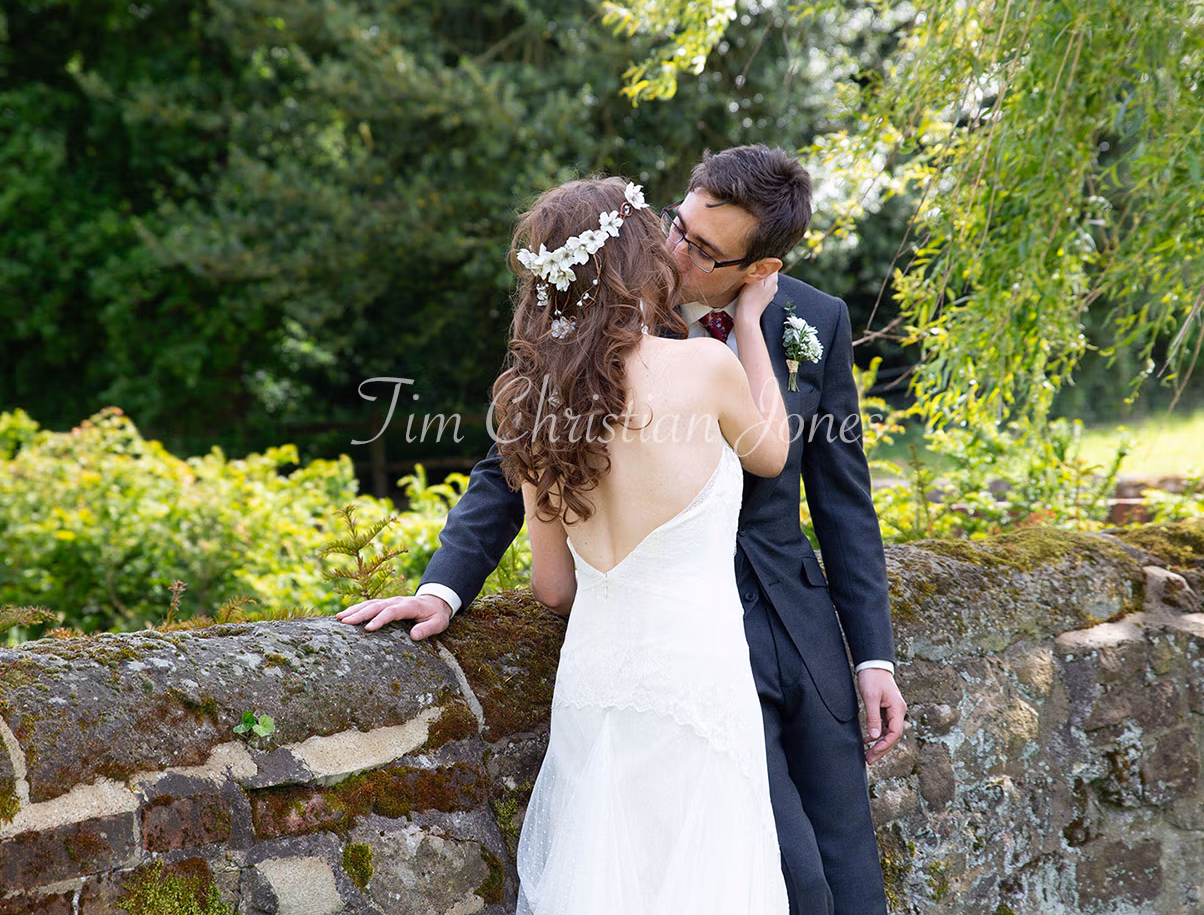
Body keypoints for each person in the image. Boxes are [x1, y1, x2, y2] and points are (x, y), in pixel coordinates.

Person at [339, 146, 907, 915]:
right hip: (699, 657)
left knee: (847, 867)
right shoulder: (592, 337)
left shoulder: (816, 318)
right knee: (766, 875)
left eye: (705, 249)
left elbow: (844, 500)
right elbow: (504, 472)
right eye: (677, 225)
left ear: (759, 267)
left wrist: (873, 654)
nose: (677, 250)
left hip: (795, 633)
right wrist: (443, 587)